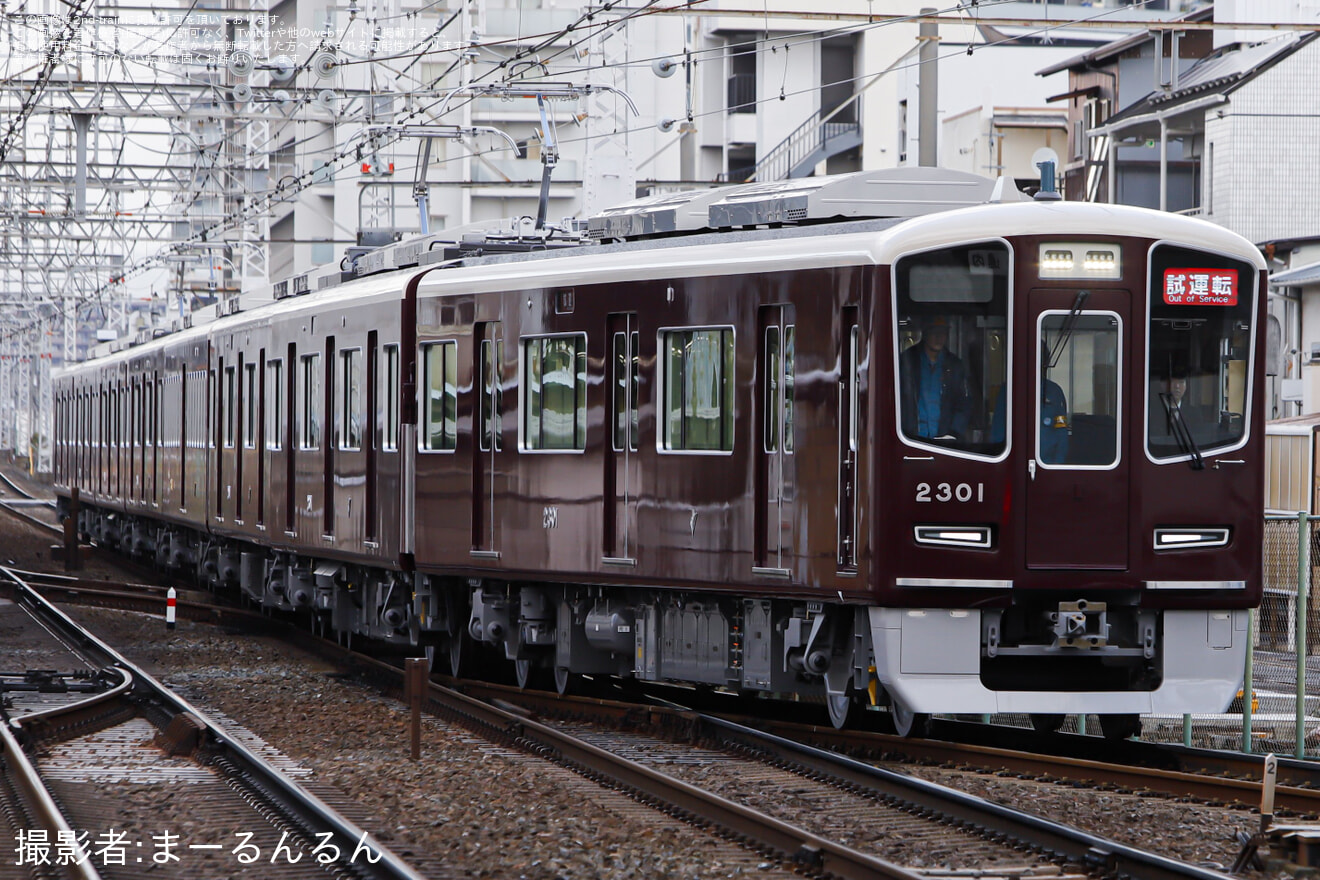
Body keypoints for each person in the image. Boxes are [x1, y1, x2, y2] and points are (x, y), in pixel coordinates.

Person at [900, 316, 970, 441]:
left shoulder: (955, 365)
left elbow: (963, 403)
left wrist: (953, 433)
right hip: (910, 438)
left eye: (943, 332)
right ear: (925, 333)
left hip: (944, 441)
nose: (939, 337)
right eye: (934, 332)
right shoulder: (907, 361)